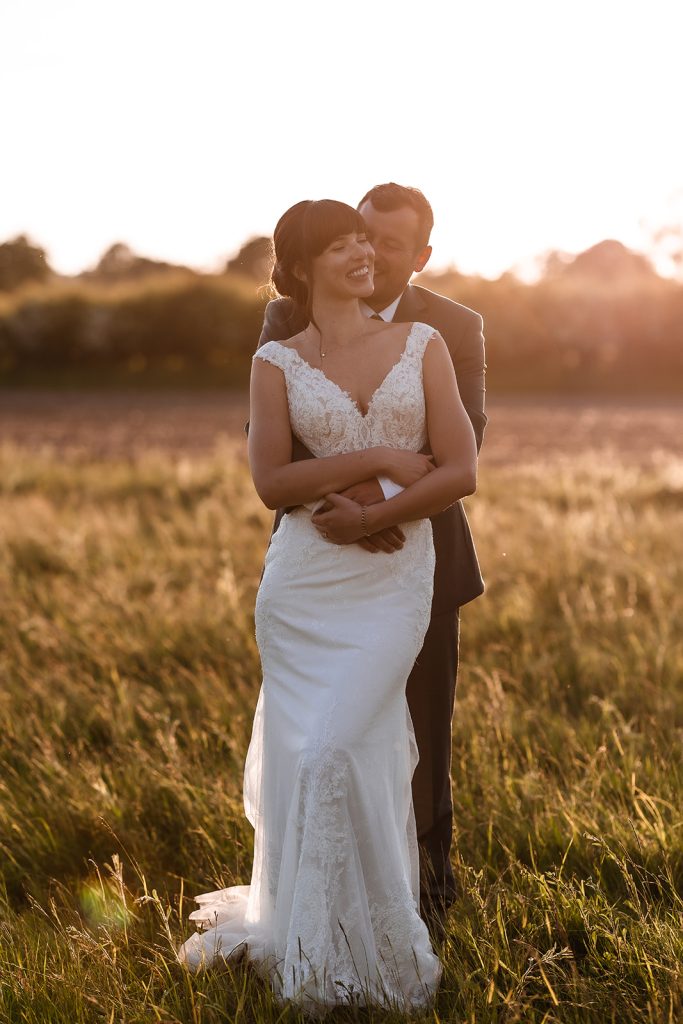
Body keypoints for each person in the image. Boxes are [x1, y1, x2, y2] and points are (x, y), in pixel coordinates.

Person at [178, 198, 478, 1011]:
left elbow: (458, 468)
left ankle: (374, 938)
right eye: (340, 244)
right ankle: (306, 938)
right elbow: (271, 481)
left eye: (363, 240)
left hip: (392, 576)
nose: (361, 252)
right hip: (303, 582)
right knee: (307, 753)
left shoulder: (426, 343)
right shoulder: (274, 361)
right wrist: (379, 458)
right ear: (303, 267)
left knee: (343, 748)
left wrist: (374, 514)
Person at [260, 183, 486, 931]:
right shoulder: (282, 326)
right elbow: (282, 453)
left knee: (420, 728)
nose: (371, 252)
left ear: (419, 255)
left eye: (389, 244)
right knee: (325, 739)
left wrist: (380, 507)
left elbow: (460, 446)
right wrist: (346, 506)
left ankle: (425, 888)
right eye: (360, 236)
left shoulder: (448, 328)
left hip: (414, 555)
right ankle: (318, 906)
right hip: (318, 548)